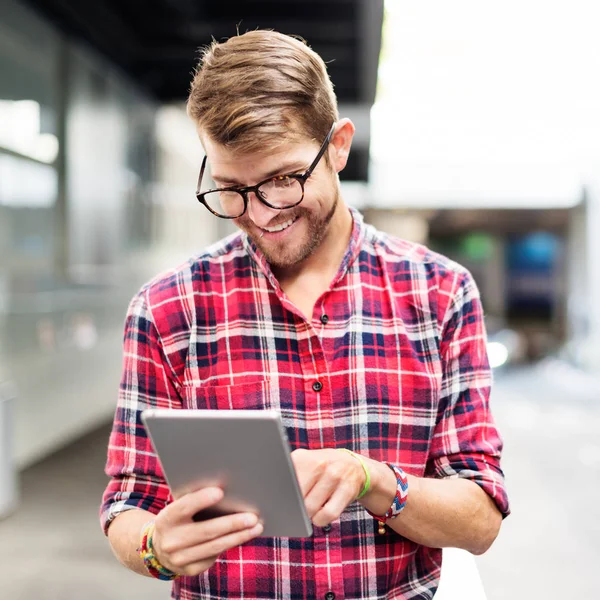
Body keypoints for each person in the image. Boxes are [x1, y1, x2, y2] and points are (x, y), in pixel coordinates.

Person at [101, 30, 509, 599]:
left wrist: (374, 479)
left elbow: (480, 520)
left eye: (284, 180)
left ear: (338, 145)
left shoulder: (439, 293)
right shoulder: (168, 309)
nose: (261, 213)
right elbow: (130, 504)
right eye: (231, 190)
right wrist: (155, 547)